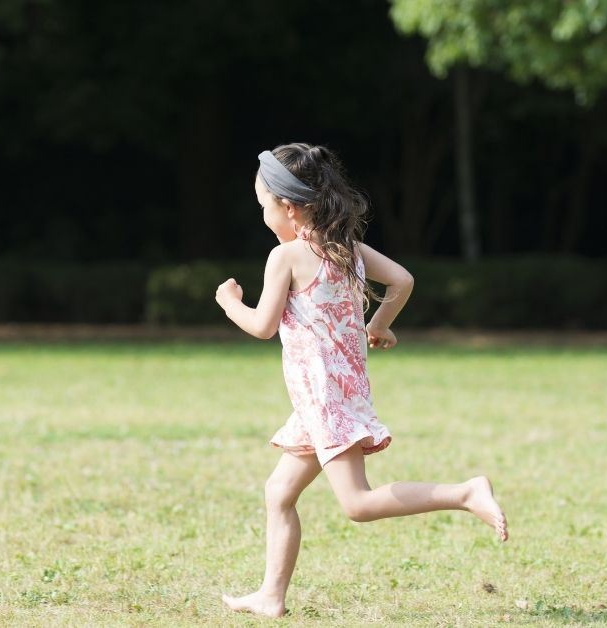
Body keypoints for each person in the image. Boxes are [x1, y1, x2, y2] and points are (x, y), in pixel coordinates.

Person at [214, 143, 508, 618]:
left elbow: (263, 326)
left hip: (326, 399)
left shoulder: (285, 257)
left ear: (287, 208)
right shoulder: (347, 250)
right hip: (331, 396)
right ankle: (271, 595)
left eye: (263, 205)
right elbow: (403, 281)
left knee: (357, 503)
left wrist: (230, 303)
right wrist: (379, 324)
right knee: (279, 493)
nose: (263, 215)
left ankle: (465, 492)